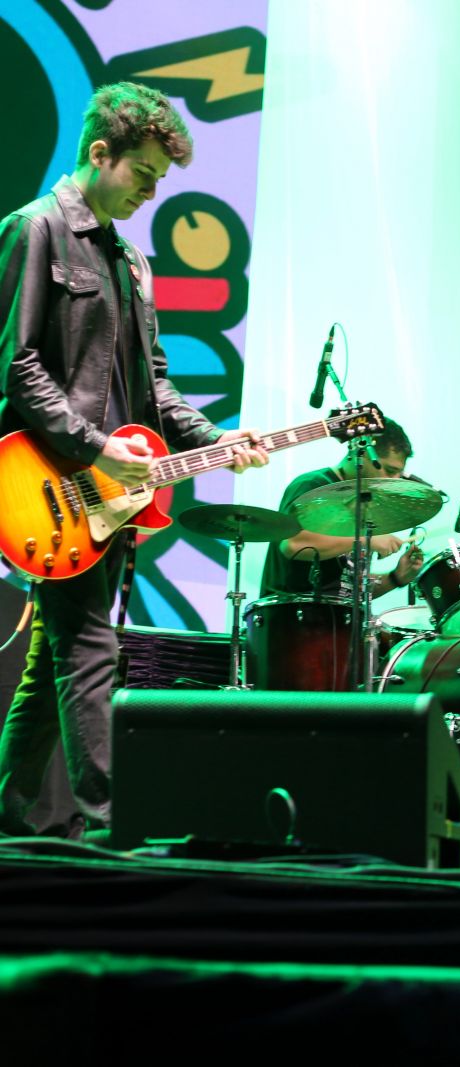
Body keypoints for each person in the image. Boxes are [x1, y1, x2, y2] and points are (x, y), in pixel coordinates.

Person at [0, 83, 268, 839]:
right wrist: (95, 449)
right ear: (100, 153)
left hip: (110, 495)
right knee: (90, 647)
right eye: (144, 173)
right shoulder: (34, 229)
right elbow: (16, 365)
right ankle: (109, 827)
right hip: (52, 479)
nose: (152, 192)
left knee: (57, 657)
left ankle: (11, 818)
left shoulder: (131, 262)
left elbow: (153, 383)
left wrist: (214, 440)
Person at [260, 421, 425, 600]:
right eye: (390, 470)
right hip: (294, 612)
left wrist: (396, 578)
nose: (394, 480)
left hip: (338, 615)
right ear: (360, 454)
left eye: (399, 474)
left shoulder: (367, 502)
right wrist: (365, 540)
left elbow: (349, 588)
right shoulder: (313, 485)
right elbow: (293, 544)